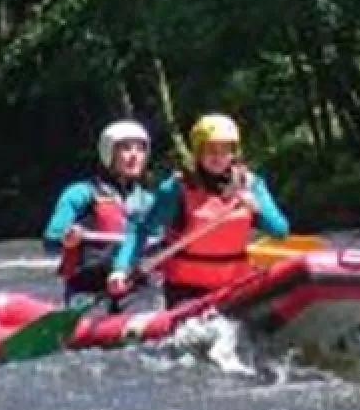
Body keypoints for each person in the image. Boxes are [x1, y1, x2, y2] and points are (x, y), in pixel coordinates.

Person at [110, 113, 290, 307]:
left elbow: (281, 231)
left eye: (225, 149)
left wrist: (258, 208)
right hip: (186, 290)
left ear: (234, 152)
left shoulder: (251, 185)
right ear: (198, 151)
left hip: (235, 285)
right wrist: (120, 268)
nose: (218, 156)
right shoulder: (176, 188)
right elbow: (141, 230)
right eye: (211, 149)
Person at [42, 120, 164, 314]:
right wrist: (69, 239)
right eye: (125, 149)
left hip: (135, 284)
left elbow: (163, 241)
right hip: (89, 286)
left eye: (140, 150)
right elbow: (51, 241)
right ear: (109, 154)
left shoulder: (149, 202)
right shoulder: (81, 193)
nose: (134, 156)